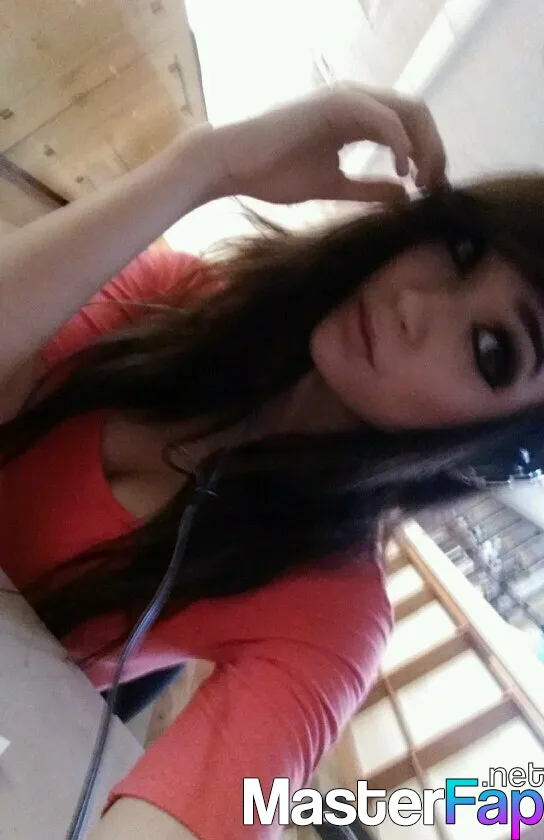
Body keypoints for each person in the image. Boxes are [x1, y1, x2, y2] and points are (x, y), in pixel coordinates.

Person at [1, 83, 544, 840]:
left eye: (489, 349)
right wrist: (204, 166)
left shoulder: (333, 617)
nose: (417, 304)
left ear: (483, 449)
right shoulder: (182, 295)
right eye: (460, 251)